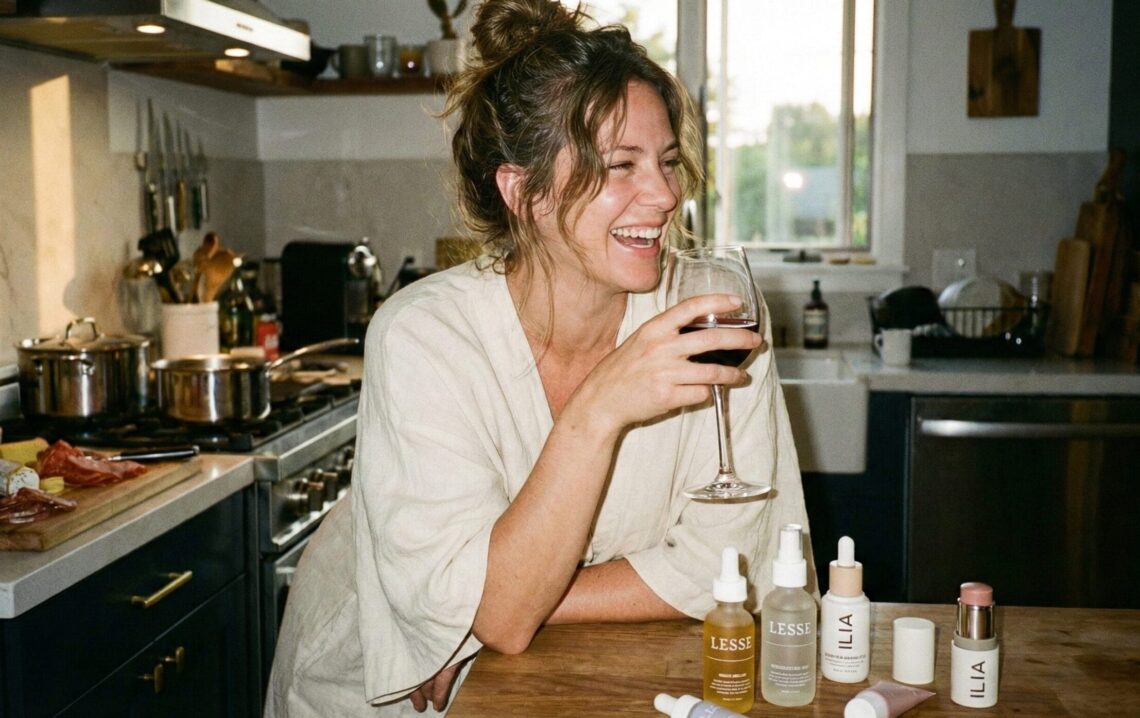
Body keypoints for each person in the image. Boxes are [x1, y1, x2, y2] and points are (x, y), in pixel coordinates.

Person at [266, 0, 812, 715]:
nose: (668, 193)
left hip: (566, 673)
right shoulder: (424, 337)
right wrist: (600, 408)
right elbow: (499, 612)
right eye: (622, 165)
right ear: (523, 192)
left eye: (668, 160)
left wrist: (495, 607)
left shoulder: (713, 311)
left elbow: (733, 565)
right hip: (382, 689)